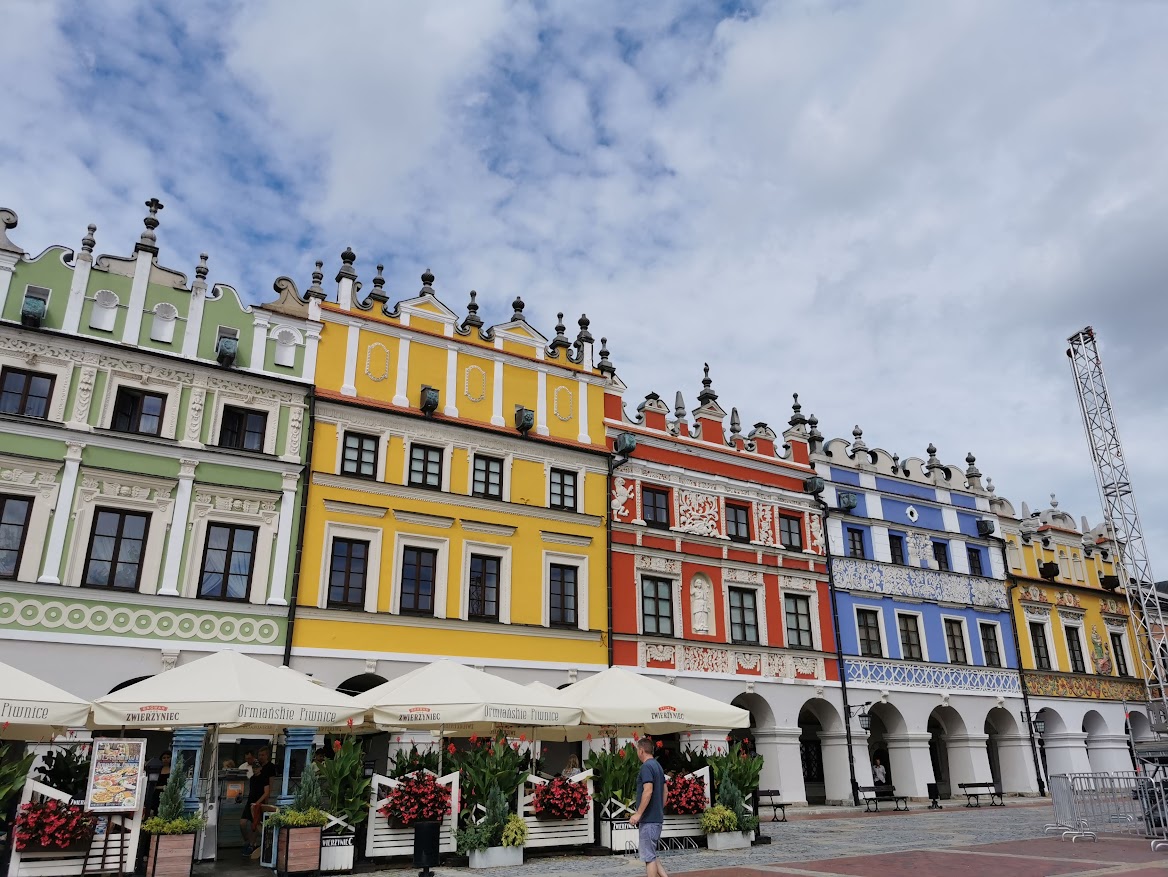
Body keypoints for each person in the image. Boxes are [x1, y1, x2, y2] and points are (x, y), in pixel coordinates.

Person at [628, 737, 668, 877]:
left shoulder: (646, 767)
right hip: (656, 818)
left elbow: (648, 790)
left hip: (648, 819)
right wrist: (659, 808)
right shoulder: (658, 766)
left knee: (649, 858)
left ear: (641, 750)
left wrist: (638, 814)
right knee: (652, 853)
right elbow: (665, 790)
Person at [240, 747, 276, 856]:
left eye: (263, 755)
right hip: (252, 798)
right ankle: (248, 841)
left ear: (267, 755)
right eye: (259, 755)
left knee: (255, 823)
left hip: (261, 799)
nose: (261, 757)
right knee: (243, 823)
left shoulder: (270, 768)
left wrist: (265, 799)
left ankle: (252, 844)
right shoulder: (253, 775)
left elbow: (270, 785)